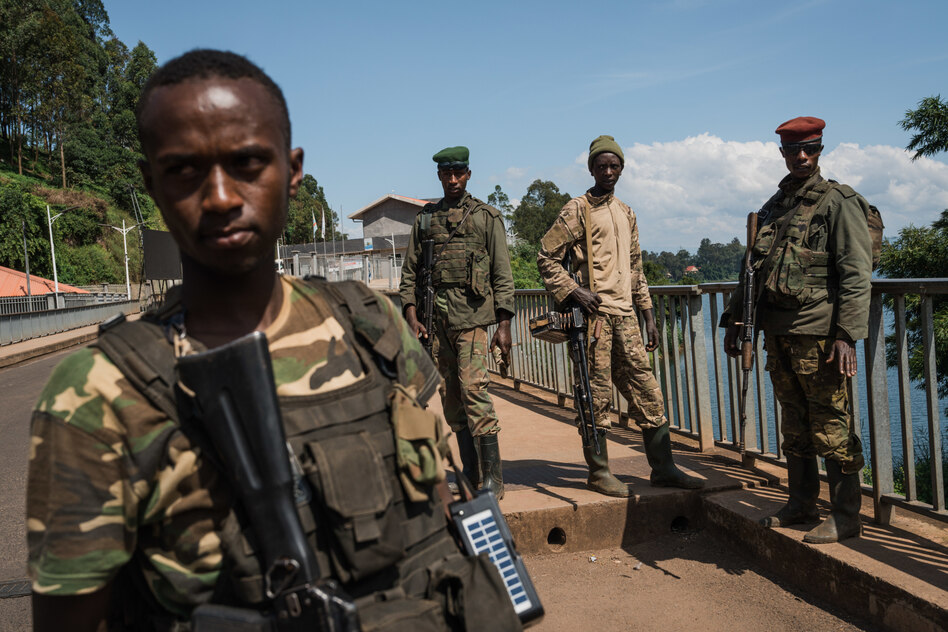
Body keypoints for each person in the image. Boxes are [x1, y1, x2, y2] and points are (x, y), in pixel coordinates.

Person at [27, 50, 521, 631]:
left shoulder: (368, 325)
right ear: (151, 184)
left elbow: (440, 512)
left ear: (292, 172)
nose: (220, 196)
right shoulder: (95, 397)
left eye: (247, 162)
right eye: (185, 168)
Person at [722, 116, 873, 544]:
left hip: (820, 336)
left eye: (810, 149)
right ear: (783, 153)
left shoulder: (837, 202)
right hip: (778, 333)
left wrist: (847, 335)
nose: (802, 157)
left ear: (820, 150)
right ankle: (801, 503)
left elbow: (856, 273)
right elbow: (753, 268)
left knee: (832, 424)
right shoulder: (775, 205)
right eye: (794, 150)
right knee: (795, 423)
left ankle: (846, 515)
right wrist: (737, 320)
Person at [536, 135, 704, 497]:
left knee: (648, 391)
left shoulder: (626, 212)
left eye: (614, 166)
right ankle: (599, 472)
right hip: (593, 319)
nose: (608, 172)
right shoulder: (576, 210)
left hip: (625, 317)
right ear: (592, 169)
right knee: (595, 396)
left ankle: (664, 468)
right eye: (601, 166)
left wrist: (648, 315)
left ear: (621, 169)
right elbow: (545, 257)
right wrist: (574, 291)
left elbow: (636, 268)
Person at [399, 147, 515, 500]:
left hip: (474, 320)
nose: (452, 180)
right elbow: (409, 276)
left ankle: (494, 480)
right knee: (451, 400)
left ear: (468, 174)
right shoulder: (424, 220)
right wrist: (412, 315)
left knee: (474, 392)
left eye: (458, 173)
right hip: (438, 325)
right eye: (446, 174)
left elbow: (502, 275)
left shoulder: (486, 218)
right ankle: (471, 471)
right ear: (439, 176)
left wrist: (504, 325)